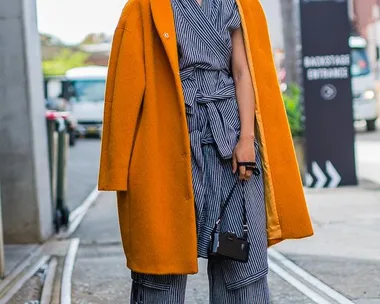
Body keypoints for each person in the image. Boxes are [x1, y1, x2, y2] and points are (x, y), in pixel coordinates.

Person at [98, 0, 314, 303]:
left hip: (230, 137)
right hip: (166, 140)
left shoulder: (238, 4)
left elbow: (243, 71)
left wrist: (246, 140)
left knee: (241, 260)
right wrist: (117, 167)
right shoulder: (144, 7)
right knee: (161, 268)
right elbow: (125, 86)